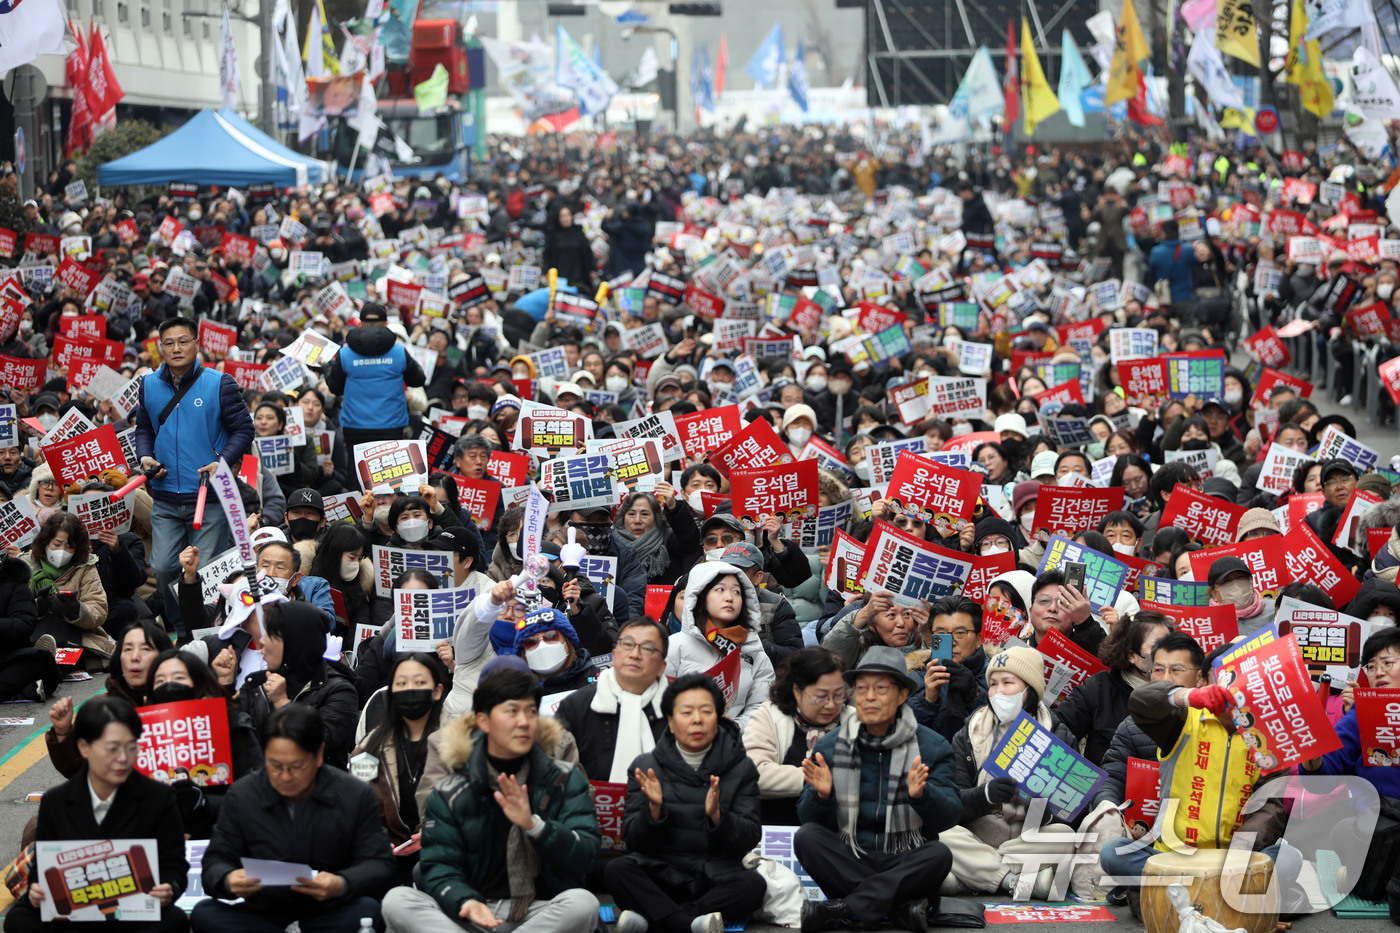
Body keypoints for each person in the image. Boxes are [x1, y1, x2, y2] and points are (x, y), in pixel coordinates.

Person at [380, 668, 601, 933]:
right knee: (397, 901)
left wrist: (535, 826)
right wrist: (465, 900)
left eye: (531, 712)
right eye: (511, 711)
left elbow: (585, 856)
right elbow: (439, 866)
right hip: (472, 912)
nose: (523, 722)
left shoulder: (563, 779)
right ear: (483, 721)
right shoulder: (452, 790)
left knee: (583, 904)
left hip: (536, 911)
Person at [795, 646, 960, 933]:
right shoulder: (831, 746)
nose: (869, 697)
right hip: (852, 855)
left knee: (939, 854)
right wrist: (822, 796)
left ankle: (847, 909)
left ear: (902, 695)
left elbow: (950, 815)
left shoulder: (932, 746)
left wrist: (922, 796)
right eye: (861, 689)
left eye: (881, 688)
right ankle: (897, 909)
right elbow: (808, 818)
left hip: (906, 858)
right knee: (807, 837)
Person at [192, 705, 396, 933]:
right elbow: (215, 861)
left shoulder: (354, 794)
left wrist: (342, 883)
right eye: (275, 766)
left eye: (296, 766)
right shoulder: (243, 795)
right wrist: (228, 879)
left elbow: (380, 863)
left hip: (329, 910)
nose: (285, 777)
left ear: (318, 754)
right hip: (262, 915)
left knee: (366, 911)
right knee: (205, 913)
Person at [6, 696, 189, 933]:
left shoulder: (158, 797)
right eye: (112, 748)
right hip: (73, 918)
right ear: (83, 747)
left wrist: (169, 888)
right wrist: (36, 891)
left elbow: (175, 865)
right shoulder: (56, 801)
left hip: (132, 918)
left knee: (174, 920)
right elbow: (42, 869)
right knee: (18, 919)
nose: (123, 758)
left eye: (131, 746)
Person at [607, 672, 767, 933]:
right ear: (670, 721)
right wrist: (653, 812)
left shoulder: (741, 767)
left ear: (719, 717)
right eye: (686, 712)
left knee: (753, 886)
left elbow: (749, 836)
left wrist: (719, 818)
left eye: (706, 711)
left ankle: (656, 919)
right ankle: (690, 925)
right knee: (618, 870)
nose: (697, 720)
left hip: (714, 876)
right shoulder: (646, 767)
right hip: (660, 873)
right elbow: (633, 841)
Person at [134, 315, 255, 635]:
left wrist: (224, 462)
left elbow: (244, 428)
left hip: (208, 495)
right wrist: (145, 456)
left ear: (196, 344)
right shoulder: (148, 384)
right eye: (169, 343)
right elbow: (144, 428)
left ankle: (201, 631)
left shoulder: (219, 382)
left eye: (183, 341)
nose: (176, 348)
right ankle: (179, 627)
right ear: (160, 347)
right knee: (162, 568)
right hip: (164, 494)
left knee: (204, 571)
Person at [940, 647, 1079, 898]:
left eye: (1008, 683)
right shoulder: (969, 734)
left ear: (1030, 691)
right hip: (977, 836)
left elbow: (1070, 812)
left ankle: (974, 876)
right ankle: (1013, 879)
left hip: (1025, 842)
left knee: (1066, 836)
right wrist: (986, 796)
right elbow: (951, 805)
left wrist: (1042, 812)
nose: (999, 692)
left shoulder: (1059, 734)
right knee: (942, 834)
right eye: (993, 684)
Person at [350, 652, 448, 883]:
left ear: (437, 691)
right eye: (401, 683)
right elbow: (356, 802)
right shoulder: (369, 748)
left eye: (420, 682)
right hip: (386, 856)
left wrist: (438, 830)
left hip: (446, 850)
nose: (410, 689)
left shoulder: (460, 743)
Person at [238, 601, 359, 768]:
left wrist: (283, 704)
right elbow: (234, 737)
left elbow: (319, 745)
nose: (262, 641)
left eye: (271, 634)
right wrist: (224, 683)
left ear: (295, 642)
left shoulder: (339, 691)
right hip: (261, 788)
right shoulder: (257, 685)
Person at [742, 646, 855, 825]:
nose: (831, 705)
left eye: (838, 695)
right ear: (796, 690)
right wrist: (816, 779)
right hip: (778, 826)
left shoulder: (854, 721)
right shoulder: (770, 715)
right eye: (821, 696)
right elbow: (754, 773)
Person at [555, 618, 671, 784]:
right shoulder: (577, 706)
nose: (635, 655)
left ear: (661, 667)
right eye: (628, 644)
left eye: (647, 648)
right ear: (614, 655)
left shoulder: (678, 708)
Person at [665, 560, 776, 730]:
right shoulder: (673, 646)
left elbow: (761, 707)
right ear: (700, 595)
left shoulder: (753, 651)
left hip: (735, 745)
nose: (729, 597)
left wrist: (729, 728)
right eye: (720, 589)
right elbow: (657, 702)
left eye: (737, 592)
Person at [1054, 612, 1171, 766]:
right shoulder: (1099, 688)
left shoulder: (1184, 692)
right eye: (1158, 646)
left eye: (1171, 645)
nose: (1168, 653)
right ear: (1132, 655)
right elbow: (1057, 729)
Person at [325, 303, 427, 449]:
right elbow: (418, 380)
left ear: (360, 324)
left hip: (355, 427)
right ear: (386, 324)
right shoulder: (399, 352)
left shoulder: (345, 354)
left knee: (358, 470)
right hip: (391, 427)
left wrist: (327, 368)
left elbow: (335, 388)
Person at [26, 512, 113, 657]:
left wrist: (76, 610)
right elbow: (11, 610)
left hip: (74, 633)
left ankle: (48, 665)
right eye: (57, 544)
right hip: (34, 630)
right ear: (45, 541)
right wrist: (37, 608)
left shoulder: (85, 567)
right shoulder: (25, 565)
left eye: (69, 546)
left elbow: (99, 609)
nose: (61, 551)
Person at [907, 595, 989, 742]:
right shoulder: (915, 679)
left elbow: (1006, 731)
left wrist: (975, 696)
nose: (951, 642)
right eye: (942, 635)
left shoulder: (998, 676)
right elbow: (901, 734)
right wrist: (928, 701)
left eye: (960, 633)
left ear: (978, 639)